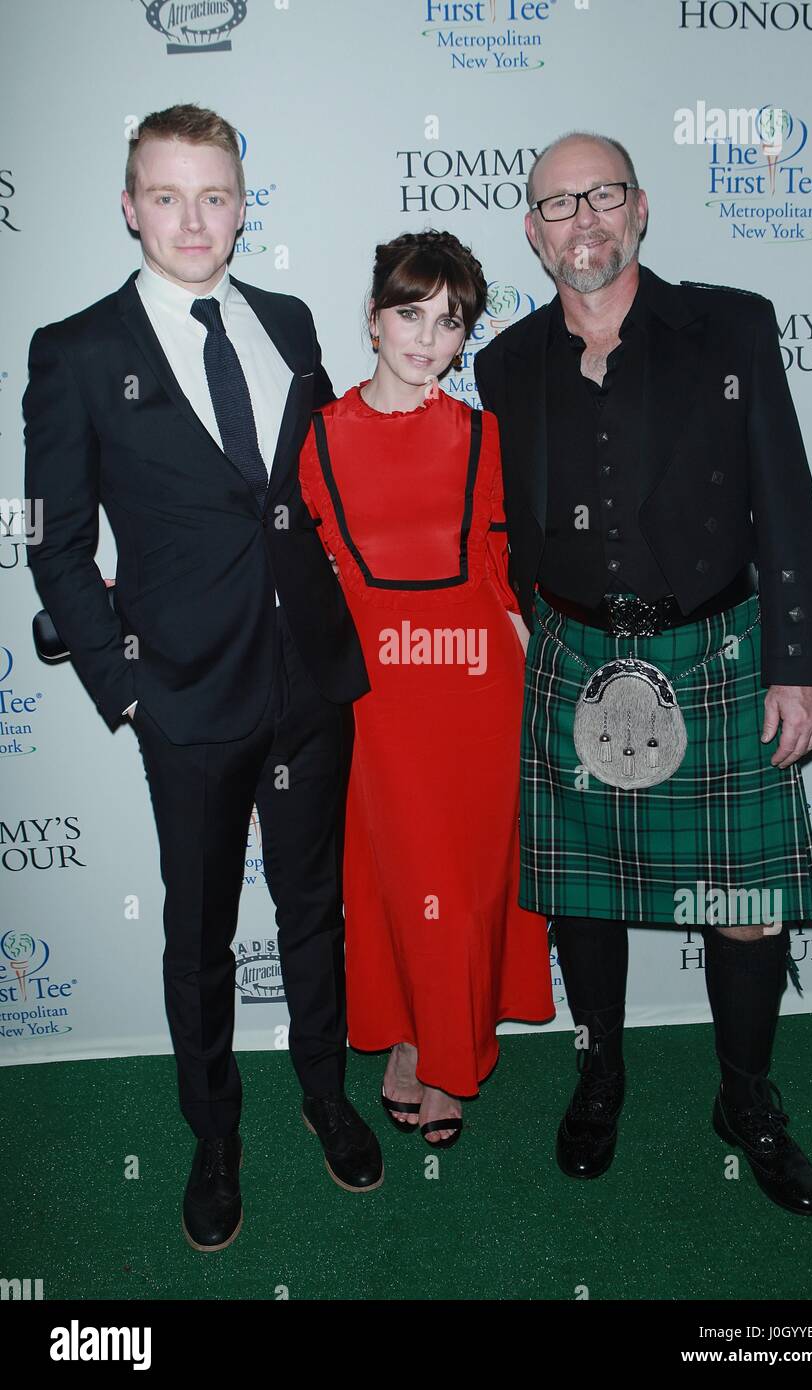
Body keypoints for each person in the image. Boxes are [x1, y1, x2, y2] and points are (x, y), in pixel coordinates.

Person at [22, 103, 383, 1253]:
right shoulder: (76, 351)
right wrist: (124, 688)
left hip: (311, 684)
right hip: (184, 695)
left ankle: (326, 1097)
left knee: (314, 911)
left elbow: (315, 495)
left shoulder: (287, 319)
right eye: (167, 196)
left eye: (215, 194)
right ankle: (213, 1136)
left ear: (242, 203)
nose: (194, 218)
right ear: (130, 207)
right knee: (199, 934)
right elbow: (55, 540)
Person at [473, 131, 812, 1213]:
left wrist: (796, 661)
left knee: (744, 898)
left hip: (716, 651)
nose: (580, 221)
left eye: (601, 197)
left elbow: (785, 499)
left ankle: (746, 1096)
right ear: (530, 233)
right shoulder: (503, 363)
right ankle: (600, 1069)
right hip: (572, 651)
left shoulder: (728, 326)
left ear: (639, 209)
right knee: (584, 899)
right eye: (555, 205)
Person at [298, 230, 554, 1147]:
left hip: (480, 693)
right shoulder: (316, 440)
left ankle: (446, 1051)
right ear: (372, 318)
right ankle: (409, 1034)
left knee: (468, 881)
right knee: (398, 878)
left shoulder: (486, 435)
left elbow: (500, 565)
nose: (426, 337)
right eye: (409, 313)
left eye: (449, 322)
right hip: (378, 696)